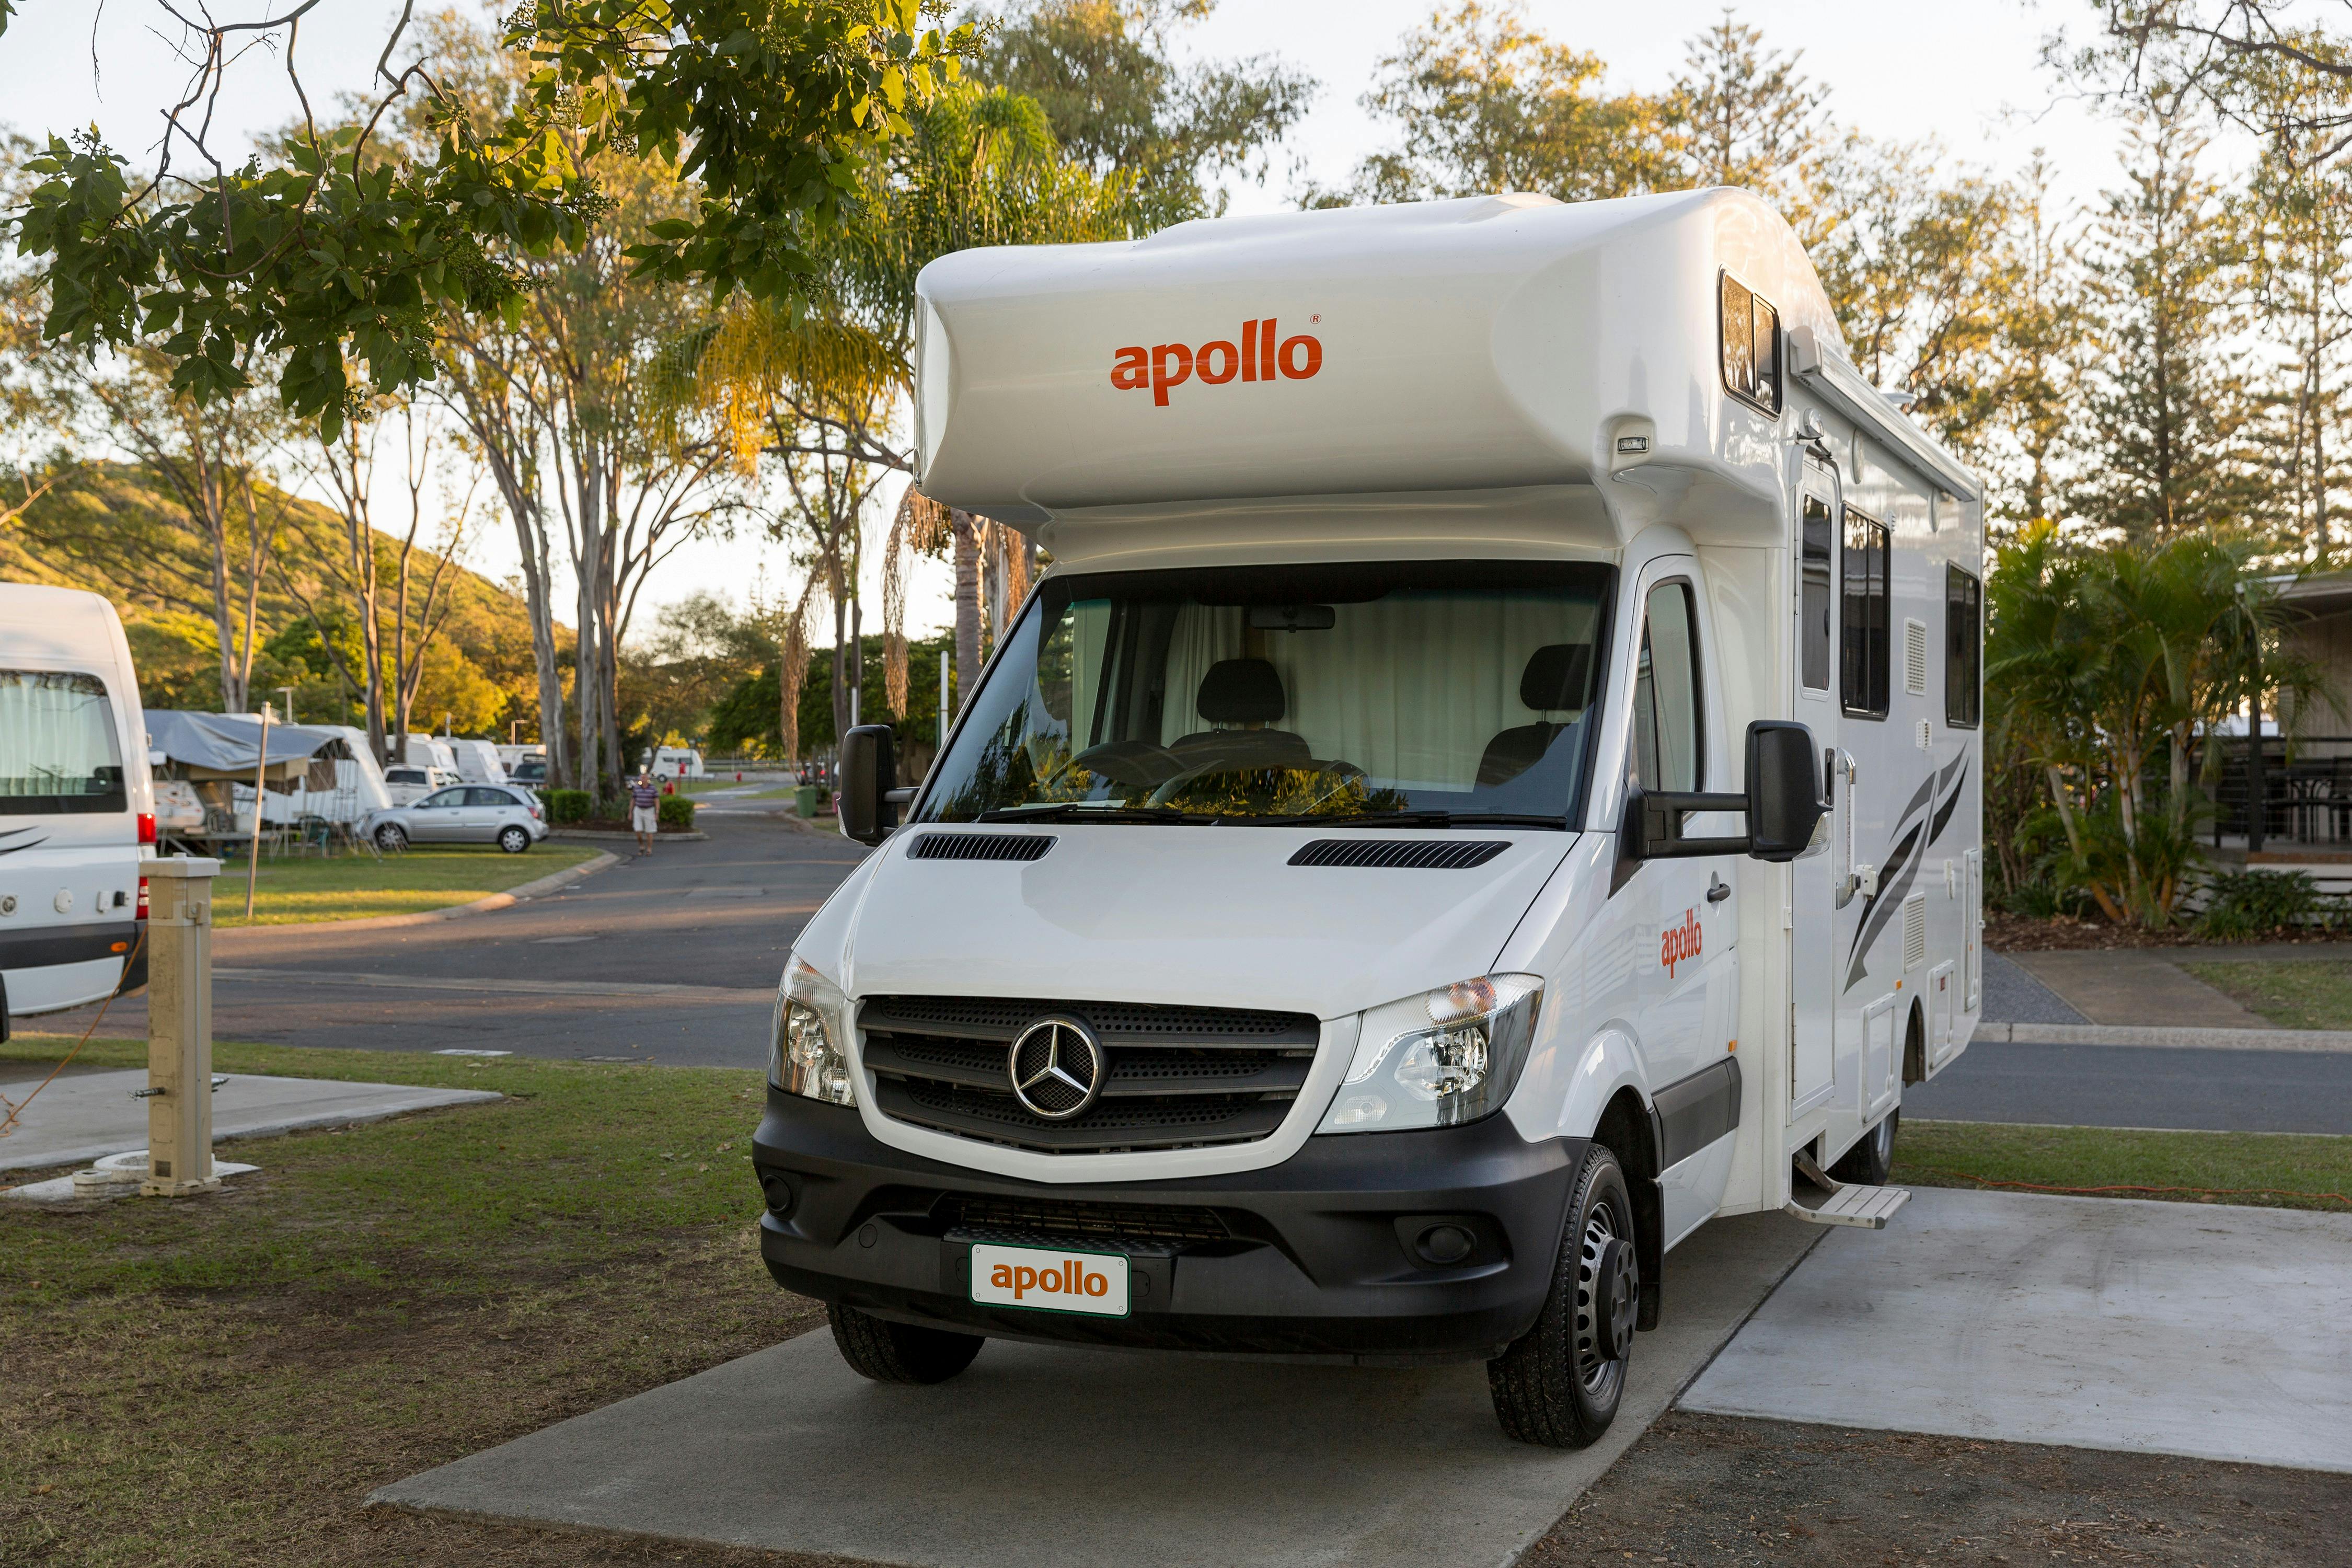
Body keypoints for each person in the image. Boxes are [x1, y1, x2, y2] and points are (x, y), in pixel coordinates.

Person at [629, 771, 660, 857]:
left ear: (648, 779)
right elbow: (633, 800)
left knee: (649, 831)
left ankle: (649, 849)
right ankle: (641, 846)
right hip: (639, 810)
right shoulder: (637, 788)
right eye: (642, 778)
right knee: (638, 830)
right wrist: (630, 812)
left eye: (645, 778)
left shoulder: (652, 788)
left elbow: (657, 801)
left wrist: (657, 812)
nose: (643, 780)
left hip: (649, 810)